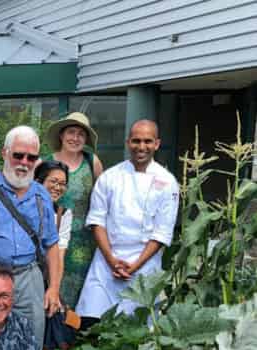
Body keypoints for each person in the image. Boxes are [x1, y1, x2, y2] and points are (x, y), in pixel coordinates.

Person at [76, 120, 179, 319]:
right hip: (107, 263)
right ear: (127, 142)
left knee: (139, 331)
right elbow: (97, 221)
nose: (141, 147)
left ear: (157, 144)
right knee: (92, 322)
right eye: (136, 141)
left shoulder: (168, 182)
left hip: (145, 265)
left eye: (147, 141)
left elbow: (161, 234)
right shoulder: (110, 177)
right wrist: (111, 260)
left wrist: (135, 265)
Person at [0, 125, 61, 350]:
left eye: (31, 157)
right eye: (18, 155)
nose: (24, 162)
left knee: (31, 342)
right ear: (5, 153)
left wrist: (54, 288)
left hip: (30, 277)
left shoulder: (41, 195)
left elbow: (52, 245)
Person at [46, 112, 104, 307]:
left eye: (81, 134)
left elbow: (101, 200)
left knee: (83, 295)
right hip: (54, 238)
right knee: (54, 288)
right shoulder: (45, 164)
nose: (75, 138)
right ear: (61, 135)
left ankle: (79, 335)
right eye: (71, 132)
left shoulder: (92, 162)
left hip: (84, 243)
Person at [34, 160, 72, 292]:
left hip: (42, 279)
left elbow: (59, 255)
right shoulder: (24, 207)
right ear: (38, 182)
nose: (57, 187)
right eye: (53, 181)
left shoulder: (63, 214)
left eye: (62, 184)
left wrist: (54, 288)